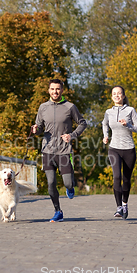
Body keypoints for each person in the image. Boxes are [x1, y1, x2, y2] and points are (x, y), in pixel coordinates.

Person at [31, 79, 87, 222]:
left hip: (63, 150)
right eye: (52, 89)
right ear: (48, 90)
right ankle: (58, 211)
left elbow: (82, 123)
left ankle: (70, 187)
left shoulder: (70, 107)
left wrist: (72, 135)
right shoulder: (43, 107)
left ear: (62, 90)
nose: (55, 92)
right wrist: (36, 130)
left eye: (57, 89)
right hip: (48, 150)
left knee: (68, 183)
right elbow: (39, 127)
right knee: (51, 183)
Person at [102, 86, 137, 219]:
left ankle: (125, 204)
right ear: (112, 96)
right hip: (114, 148)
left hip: (129, 149)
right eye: (114, 94)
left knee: (126, 179)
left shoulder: (131, 110)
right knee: (116, 176)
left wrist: (128, 125)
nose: (117, 95)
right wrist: (105, 136)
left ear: (124, 96)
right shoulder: (108, 112)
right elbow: (104, 124)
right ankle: (119, 207)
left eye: (119, 93)